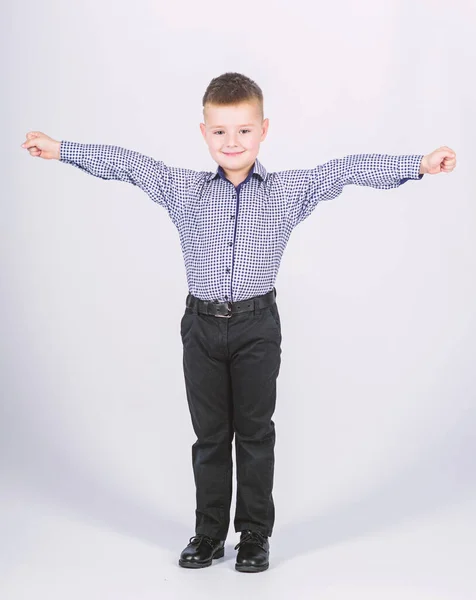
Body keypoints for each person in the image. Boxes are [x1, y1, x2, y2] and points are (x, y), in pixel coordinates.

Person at [20, 72, 457, 573]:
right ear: (204, 133)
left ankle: (254, 534)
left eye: (244, 131)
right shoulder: (183, 190)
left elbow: (347, 169)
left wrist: (419, 165)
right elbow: (127, 165)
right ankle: (208, 534)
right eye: (221, 131)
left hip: (256, 327)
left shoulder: (287, 192)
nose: (232, 142)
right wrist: (60, 149)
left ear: (264, 130)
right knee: (209, 436)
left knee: (254, 433)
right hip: (201, 328)